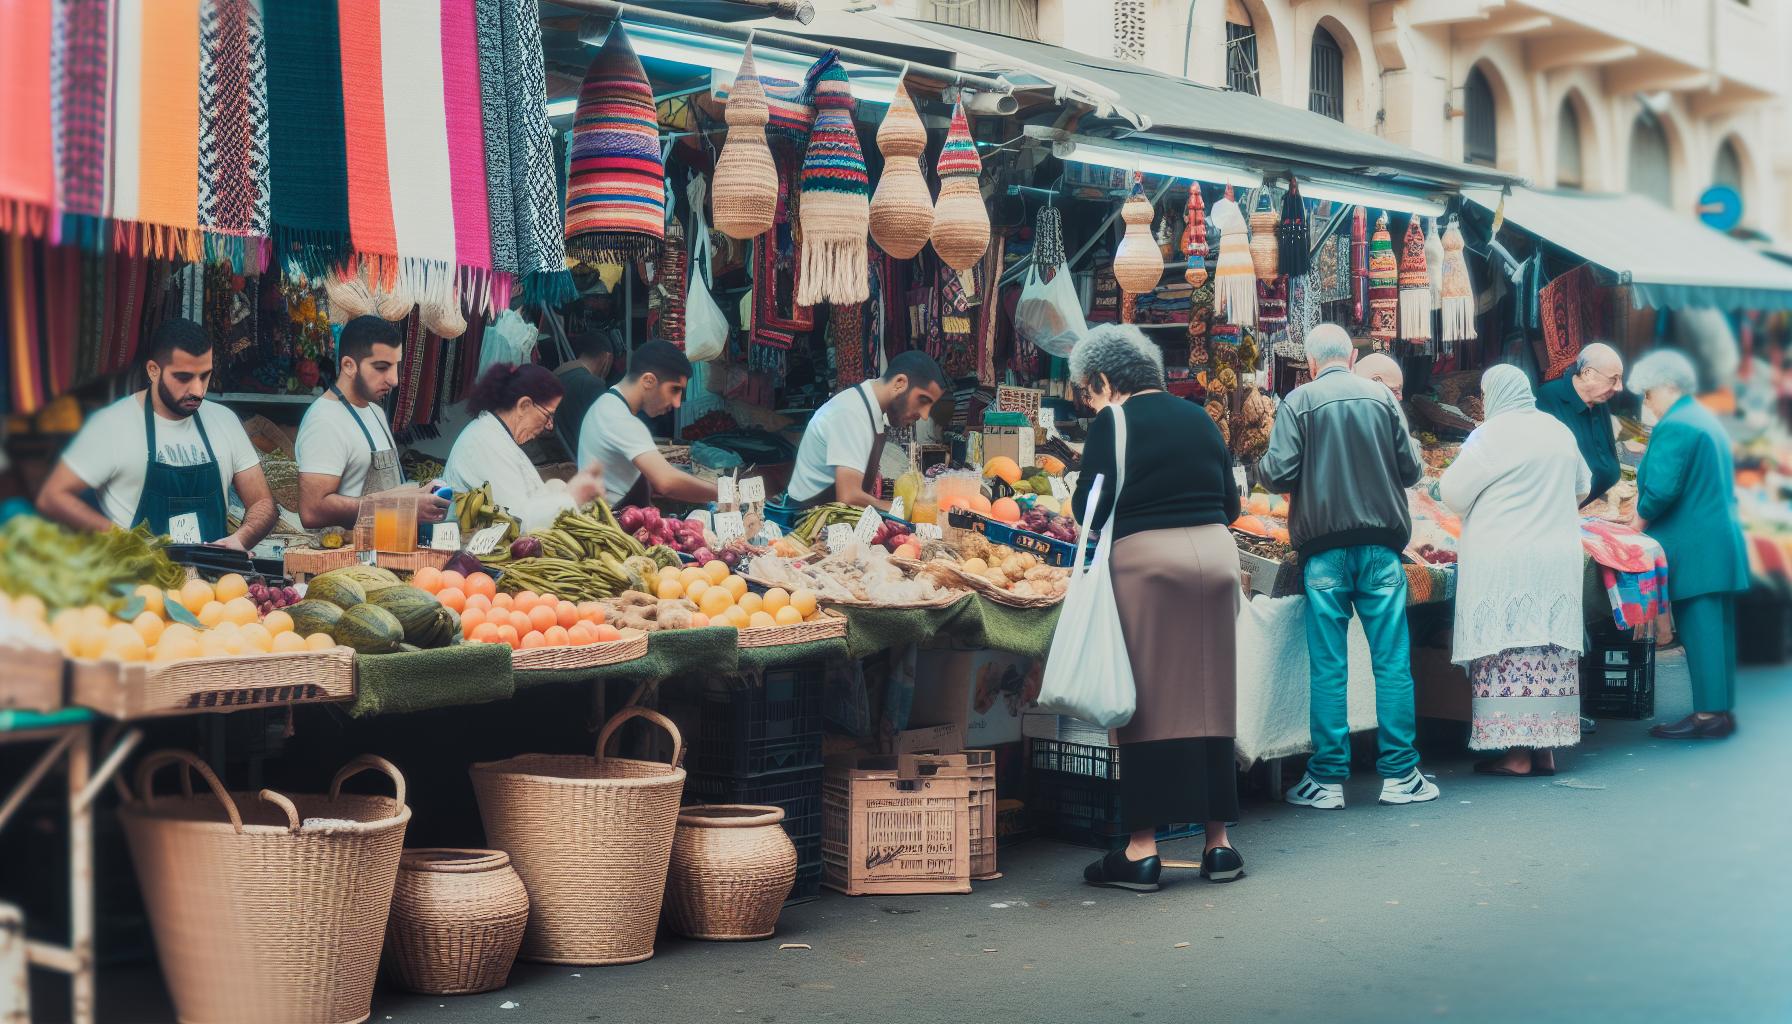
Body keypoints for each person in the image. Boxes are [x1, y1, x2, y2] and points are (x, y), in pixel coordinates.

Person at [1067, 325, 1243, 892]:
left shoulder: (1112, 422)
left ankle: (1141, 850)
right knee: (1212, 698)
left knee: (1144, 703)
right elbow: (1231, 501)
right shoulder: (1200, 418)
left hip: (1148, 566)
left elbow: (1088, 509)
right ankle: (1219, 845)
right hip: (1217, 560)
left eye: (1086, 389)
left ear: (1101, 380)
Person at [1257, 323, 1437, 809]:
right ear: (1352, 360)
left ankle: (1327, 780)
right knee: (1392, 662)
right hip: (1381, 549)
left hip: (1324, 550)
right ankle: (1401, 774)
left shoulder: (1299, 401)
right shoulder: (1382, 400)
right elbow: (1413, 470)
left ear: (1311, 364)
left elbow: (1276, 474)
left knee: (1330, 665)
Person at [1439, 365, 1590, 776]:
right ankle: (1545, 750)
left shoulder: (1490, 436)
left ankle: (1516, 755)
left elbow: (1451, 493)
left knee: (1509, 643)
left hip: (1507, 559)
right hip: (1556, 558)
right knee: (1548, 644)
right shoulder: (1558, 431)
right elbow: (1583, 486)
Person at [37, 318, 275, 550]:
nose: (198, 391)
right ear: (153, 371)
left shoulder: (225, 421)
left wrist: (240, 540)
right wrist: (121, 541)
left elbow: (262, 502)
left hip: (211, 586)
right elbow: (54, 496)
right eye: (183, 377)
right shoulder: (112, 425)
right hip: (135, 584)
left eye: (205, 375)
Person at [1627, 351, 1749, 740]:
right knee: (1715, 631)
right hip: (1714, 541)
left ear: (1669, 386)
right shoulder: (1700, 418)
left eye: (1649, 393)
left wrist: (1634, 527)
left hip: (1696, 546)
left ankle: (1708, 715)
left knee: (1701, 631)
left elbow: (1661, 489)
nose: (1646, 402)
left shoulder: (1677, 424)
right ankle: (1718, 709)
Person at [295, 316, 448, 529]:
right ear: (349, 365)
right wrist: (401, 506)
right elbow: (312, 511)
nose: (394, 380)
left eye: (396, 366)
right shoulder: (325, 420)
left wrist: (417, 494)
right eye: (382, 367)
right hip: (346, 558)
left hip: (383, 553)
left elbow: (382, 493)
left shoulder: (375, 410)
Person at [443, 364, 603, 533]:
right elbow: (520, 522)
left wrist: (555, 489)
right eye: (548, 415)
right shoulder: (484, 442)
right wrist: (572, 496)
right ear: (524, 405)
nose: (550, 425)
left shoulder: (497, 435)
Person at [787, 350, 948, 511]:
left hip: (837, 518)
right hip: (808, 520)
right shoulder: (852, 412)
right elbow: (849, 497)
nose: (925, 415)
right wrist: (904, 511)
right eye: (923, 400)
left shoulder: (872, 408)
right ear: (899, 383)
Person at [575, 339, 716, 507]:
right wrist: (723, 492)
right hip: (612, 524)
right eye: (674, 389)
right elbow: (667, 482)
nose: (677, 403)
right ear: (648, 380)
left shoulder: (606, 404)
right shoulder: (619, 418)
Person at [1535, 342, 1624, 508]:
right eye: (1614, 379)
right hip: (1569, 508)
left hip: (1602, 502)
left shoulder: (1600, 401)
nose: (1619, 387)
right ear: (1588, 373)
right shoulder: (1548, 398)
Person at [554, 325, 621, 460]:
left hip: (560, 460)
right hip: (581, 464)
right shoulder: (592, 383)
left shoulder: (558, 374)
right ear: (607, 358)